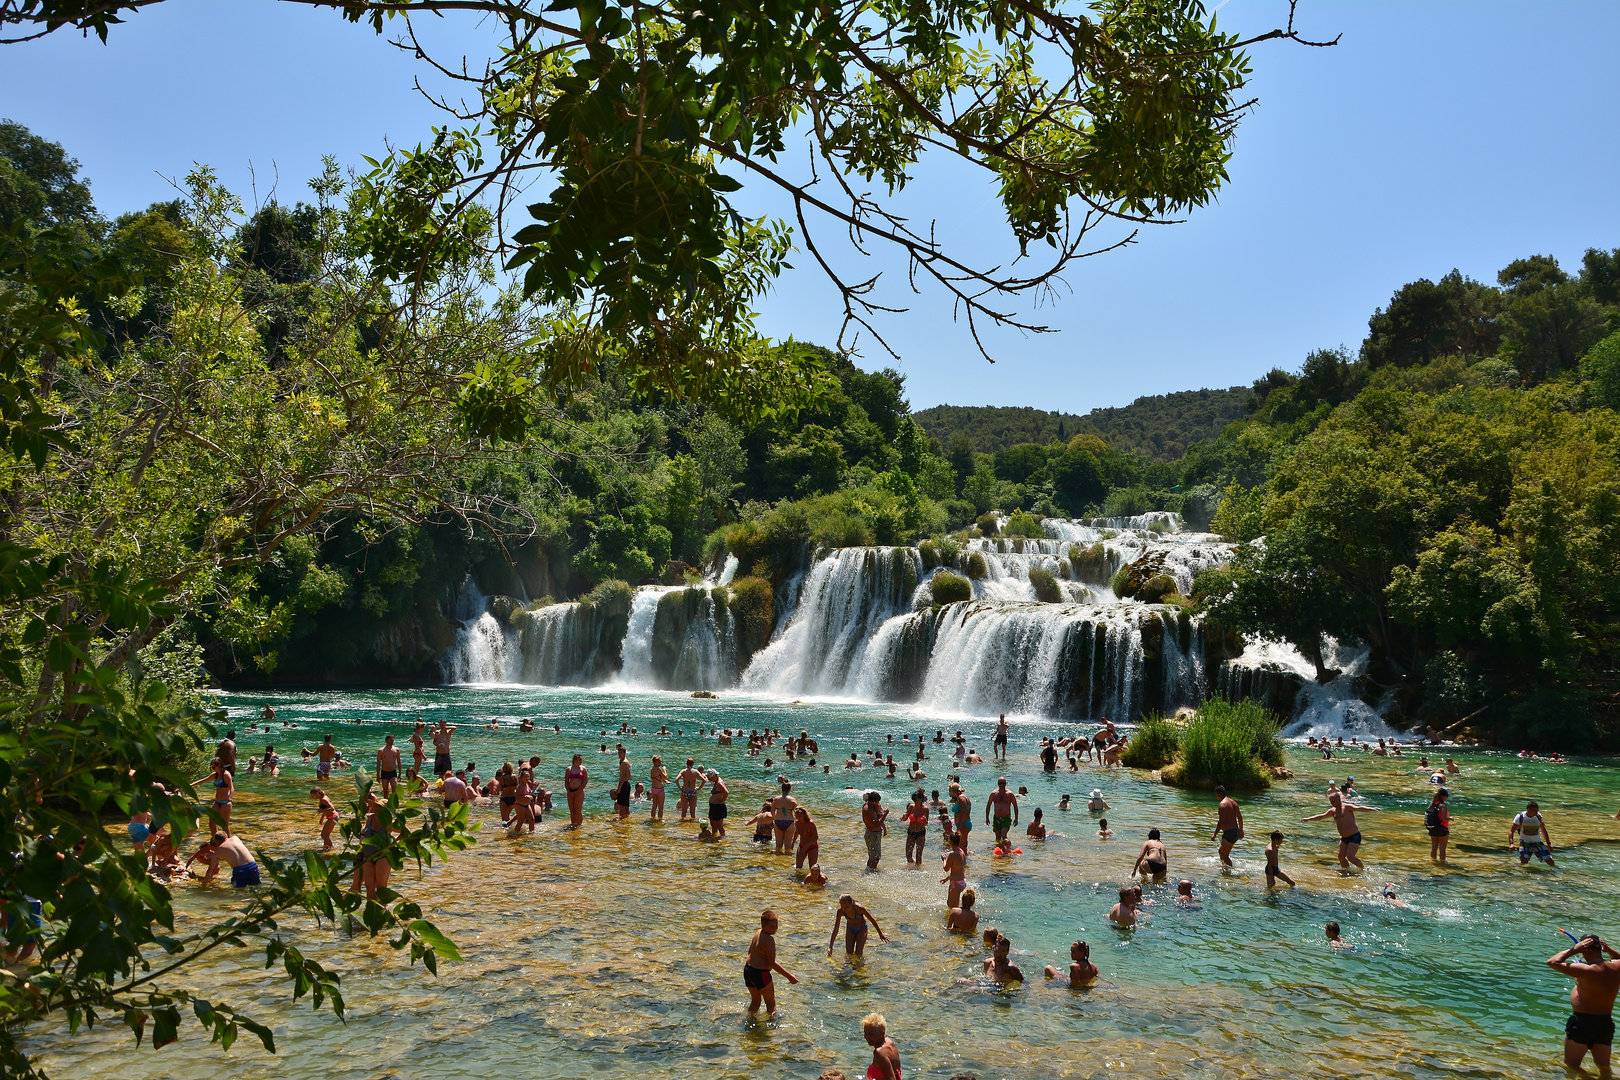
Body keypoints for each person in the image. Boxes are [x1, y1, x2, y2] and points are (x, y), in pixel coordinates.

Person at [1548, 933, 1620, 1076]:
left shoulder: (1587, 970)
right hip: (1605, 1023)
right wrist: (1610, 950)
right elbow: (1618, 957)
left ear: (1584, 950)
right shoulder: (1617, 967)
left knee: (1571, 1065)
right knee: (1604, 1066)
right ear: (1601, 948)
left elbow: (1552, 962)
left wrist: (1574, 949)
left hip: (1582, 1023)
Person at [1301, 791, 1380, 871]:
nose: (1332, 803)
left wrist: (1372, 809)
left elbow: (1359, 808)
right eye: (1331, 802)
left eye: (1333, 801)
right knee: (1341, 857)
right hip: (1344, 838)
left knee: (1350, 857)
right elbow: (1322, 816)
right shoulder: (1333, 811)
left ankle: (1363, 869)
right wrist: (1309, 819)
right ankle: (1346, 871)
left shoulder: (1347, 807)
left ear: (1339, 799)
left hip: (1354, 836)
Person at [743, 910, 798, 1017]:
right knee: (771, 1004)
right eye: (772, 926)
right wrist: (789, 976)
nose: (775, 929)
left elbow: (749, 952)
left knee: (755, 1002)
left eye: (776, 925)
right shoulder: (769, 940)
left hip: (748, 971)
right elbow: (772, 963)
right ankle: (772, 1029)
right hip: (761, 974)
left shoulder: (757, 933)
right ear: (763, 925)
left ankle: (749, 1021)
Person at [828, 893, 887, 958]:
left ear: (852, 903)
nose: (844, 909)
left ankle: (859, 966)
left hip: (862, 928)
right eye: (842, 907)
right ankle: (848, 967)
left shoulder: (859, 908)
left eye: (846, 907)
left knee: (858, 953)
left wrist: (880, 933)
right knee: (849, 953)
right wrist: (830, 947)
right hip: (850, 929)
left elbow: (872, 919)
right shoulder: (840, 912)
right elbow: (836, 929)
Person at [191, 832, 259, 887]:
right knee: (256, 886)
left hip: (239, 871)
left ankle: (240, 903)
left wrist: (204, 884)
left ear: (217, 841)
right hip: (253, 866)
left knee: (237, 888)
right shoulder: (235, 838)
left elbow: (210, 870)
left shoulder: (219, 850)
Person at [1510, 801, 1555, 866]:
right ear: (1529, 809)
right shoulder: (1520, 817)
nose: (1536, 812)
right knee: (1524, 863)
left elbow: (1543, 830)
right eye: (1534, 811)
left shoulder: (1538, 816)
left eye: (1537, 810)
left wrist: (1548, 843)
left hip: (1538, 842)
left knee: (1551, 862)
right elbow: (1511, 831)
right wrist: (1511, 844)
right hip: (1525, 843)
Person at [862, 1014, 903, 1080]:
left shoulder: (879, 1053)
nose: (866, 1037)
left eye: (871, 1034)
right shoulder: (889, 1042)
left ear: (882, 1033)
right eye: (865, 1033)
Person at [1211, 785, 1244, 868]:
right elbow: (1240, 817)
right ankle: (1225, 870)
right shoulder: (1233, 803)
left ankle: (1230, 872)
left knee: (1224, 855)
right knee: (1221, 852)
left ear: (1217, 794)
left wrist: (1215, 834)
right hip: (1235, 831)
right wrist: (1241, 830)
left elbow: (1221, 821)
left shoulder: (1222, 804)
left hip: (1229, 833)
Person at [985, 777, 1018, 848]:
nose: (1001, 785)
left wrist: (1016, 818)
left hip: (1006, 818)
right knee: (998, 838)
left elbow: (1015, 806)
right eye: (1000, 783)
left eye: (1003, 783)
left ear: (1005, 784)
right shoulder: (994, 794)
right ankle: (999, 851)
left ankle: (1008, 849)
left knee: (1003, 835)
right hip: (996, 818)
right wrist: (987, 817)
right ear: (997, 784)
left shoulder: (1010, 794)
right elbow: (988, 805)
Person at [941, 831, 968, 909]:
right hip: (961, 881)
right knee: (950, 904)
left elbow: (946, 868)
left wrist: (944, 860)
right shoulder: (961, 852)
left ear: (950, 842)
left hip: (956, 883)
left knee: (953, 908)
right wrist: (947, 879)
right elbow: (958, 869)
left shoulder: (952, 854)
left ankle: (957, 920)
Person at [902, 790, 930, 865]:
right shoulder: (911, 807)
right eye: (913, 799)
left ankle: (918, 871)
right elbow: (904, 819)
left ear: (921, 799)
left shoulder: (925, 809)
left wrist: (924, 821)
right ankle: (911, 869)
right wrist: (903, 817)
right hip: (911, 832)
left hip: (920, 833)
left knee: (919, 855)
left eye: (916, 799)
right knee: (908, 855)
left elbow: (926, 823)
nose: (914, 801)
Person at [1425, 788, 1452, 863]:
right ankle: (1442, 864)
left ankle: (1433, 862)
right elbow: (1444, 819)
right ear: (1444, 796)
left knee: (1434, 848)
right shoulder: (1442, 805)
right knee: (1442, 849)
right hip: (1442, 829)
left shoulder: (1432, 804)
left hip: (1432, 828)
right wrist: (1450, 818)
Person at [772, 782, 799, 854]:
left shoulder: (776, 799)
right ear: (789, 790)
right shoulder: (792, 800)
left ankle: (777, 862)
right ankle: (787, 863)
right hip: (789, 822)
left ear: (782, 789)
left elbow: (772, 812)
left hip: (778, 822)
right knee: (788, 846)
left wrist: (775, 819)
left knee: (778, 846)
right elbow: (797, 813)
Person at [676, 758, 705, 822]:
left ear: (686, 763)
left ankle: (683, 824)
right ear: (693, 764)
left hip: (685, 791)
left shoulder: (683, 771)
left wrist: (680, 787)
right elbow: (704, 780)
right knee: (692, 812)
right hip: (693, 791)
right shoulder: (695, 772)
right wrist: (699, 788)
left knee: (684, 811)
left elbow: (676, 780)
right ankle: (692, 825)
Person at [564, 753, 588, 828]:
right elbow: (566, 781)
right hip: (570, 791)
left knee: (578, 810)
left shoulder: (583, 769)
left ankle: (579, 825)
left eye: (581, 760)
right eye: (579, 760)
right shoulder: (569, 769)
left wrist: (579, 790)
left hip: (579, 791)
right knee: (572, 810)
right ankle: (573, 824)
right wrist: (568, 791)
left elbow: (585, 781)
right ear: (574, 760)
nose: (581, 761)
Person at [793, 806, 821, 870]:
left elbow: (816, 837)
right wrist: (792, 843)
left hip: (812, 847)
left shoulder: (810, 823)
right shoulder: (797, 823)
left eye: (800, 816)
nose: (797, 818)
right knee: (798, 868)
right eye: (796, 816)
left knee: (812, 868)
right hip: (802, 846)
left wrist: (807, 845)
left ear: (804, 815)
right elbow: (796, 833)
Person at [612, 744, 633, 820]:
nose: (619, 754)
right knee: (626, 805)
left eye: (621, 752)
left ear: (624, 753)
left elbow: (624, 777)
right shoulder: (624, 761)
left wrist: (619, 787)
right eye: (618, 752)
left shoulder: (624, 762)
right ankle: (626, 818)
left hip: (623, 784)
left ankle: (622, 819)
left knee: (621, 805)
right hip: (626, 784)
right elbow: (629, 775)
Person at [707, 770, 730, 837]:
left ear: (714, 776)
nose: (710, 780)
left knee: (719, 825)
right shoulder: (717, 781)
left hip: (718, 807)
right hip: (713, 806)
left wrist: (722, 801)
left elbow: (726, 792)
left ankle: (722, 839)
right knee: (713, 824)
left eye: (710, 779)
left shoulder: (719, 783)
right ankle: (714, 838)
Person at [648, 755, 669, 822]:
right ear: (656, 762)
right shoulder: (658, 769)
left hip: (653, 789)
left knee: (654, 806)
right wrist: (664, 770)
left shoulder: (652, 769)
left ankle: (652, 819)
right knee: (660, 807)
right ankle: (659, 821)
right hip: (659, 790)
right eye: (659, 761)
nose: (661, 763)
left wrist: (664, 781)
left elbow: (658, 778)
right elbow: (665, 777)